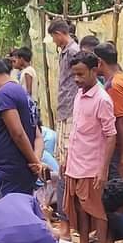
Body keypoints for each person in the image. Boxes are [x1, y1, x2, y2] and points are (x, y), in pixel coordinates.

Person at [63, 52, 117, 243]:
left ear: (94, 71)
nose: (77, 79)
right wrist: (67, 158)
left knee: (97, 211)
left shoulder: (102, 99)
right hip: (75, 164)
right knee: (79, 209)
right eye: (74, 75)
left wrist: (103, 170)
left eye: (81, 74)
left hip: (92, 166)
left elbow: (111, 135)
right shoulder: (79, 94)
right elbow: (76, 130)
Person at [0, 57, 43, 196]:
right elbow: (37, 135)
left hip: (10, 168)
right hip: (24, 168)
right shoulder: (23, 93)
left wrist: (34, 161)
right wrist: (36, 162)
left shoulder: (4, 94)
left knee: (3, 205)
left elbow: (17, 133)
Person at [93, 42, 123, 178]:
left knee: (115, 188)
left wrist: (122, 157)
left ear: (99, 62)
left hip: (117, 151)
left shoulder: (114, 86)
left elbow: (122, 121)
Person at [48, 19, 80, 165]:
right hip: (65, 104)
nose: (54, 41)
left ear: (58, 34)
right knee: (61, 151)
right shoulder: (66, 51)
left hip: (71, 105)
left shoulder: (73, 51)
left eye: (53, 37)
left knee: (68, 151)